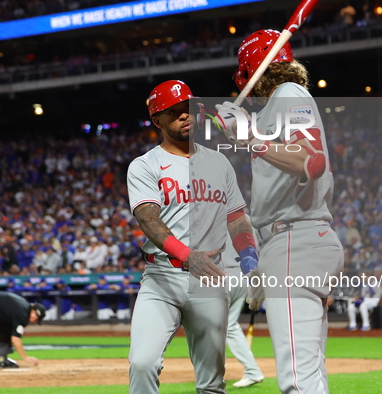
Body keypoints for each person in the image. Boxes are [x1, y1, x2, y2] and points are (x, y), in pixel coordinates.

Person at [216, 30, 344, 393]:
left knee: (298, 383)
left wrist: (248, 136)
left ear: (249, 71)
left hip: (295, 241)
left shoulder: (289, 94)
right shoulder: (279, 105)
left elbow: (311, 161)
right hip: (292, 242)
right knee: (311, 375)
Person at [127, 79, 259, 394]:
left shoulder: (218, 162)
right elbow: (148, 219)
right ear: (157, 121)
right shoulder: (146, 165)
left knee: (212, 382)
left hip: (211, 281)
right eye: (174, 112)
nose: (185, 116)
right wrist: (188, 256)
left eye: (187, 109)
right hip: (162, 276)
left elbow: (237, 219)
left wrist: (251, 259)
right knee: (142, 363)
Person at [222, 225, 264, 388]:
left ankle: (252, 370)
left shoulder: (212, 215)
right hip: (244, 275)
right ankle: (252, 370)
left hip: (223, 274)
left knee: (216, 325)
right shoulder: (249, 223)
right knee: (229, 325)